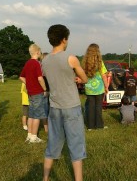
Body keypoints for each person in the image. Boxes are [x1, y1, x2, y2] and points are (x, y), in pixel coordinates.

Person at [42, 24, 88, 181]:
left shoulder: (45, 61)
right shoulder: (71, 58)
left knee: (53, 143)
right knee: (76, 144)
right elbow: (85, 79)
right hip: (71, 106)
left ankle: (45, 178)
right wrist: (77, 78)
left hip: (54, 107)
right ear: (63, 39)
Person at [19, 44, 48, 143]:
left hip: (30, 93)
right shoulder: (37, 63)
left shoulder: (27, 63)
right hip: (37, 92)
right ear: (37, 52)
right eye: (40, 51)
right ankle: (34, 137)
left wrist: (29, 83)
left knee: (31, 114)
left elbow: (21, 77)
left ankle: (29, 135)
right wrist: (44, 88)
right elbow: (40, 78)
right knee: (37, 115)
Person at [82, 43, 109, 130]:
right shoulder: (100, 63)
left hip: (89, 88)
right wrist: (106, 86)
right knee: (98, 107)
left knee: (90, 107)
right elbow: (104, 75)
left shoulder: (84, 63)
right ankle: (99, 125)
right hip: (99, 89)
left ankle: (90, 126)